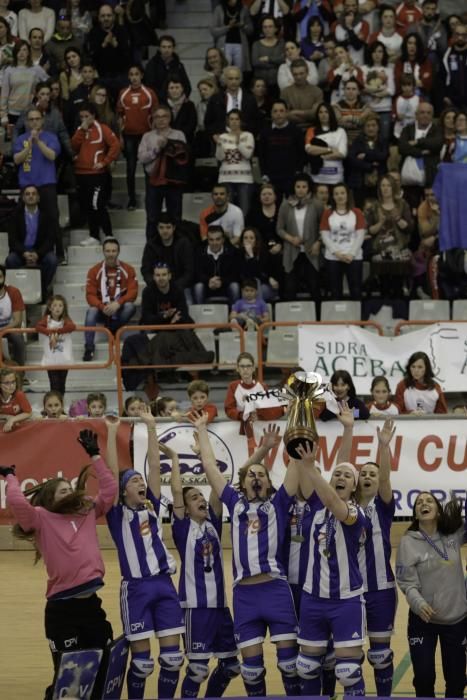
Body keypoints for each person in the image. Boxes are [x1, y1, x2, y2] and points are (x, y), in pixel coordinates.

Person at [0, 429, 117, 700]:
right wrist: (10, 476)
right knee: (68, 680)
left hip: (91, 606)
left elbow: (110, 490)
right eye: (62, 490)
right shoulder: (40, 518)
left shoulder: (87, 509)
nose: (70, 492)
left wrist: (95, 454)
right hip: (62, 612)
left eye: (70, 488)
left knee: (101, 668)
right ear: (50, 500)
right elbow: (17, 502)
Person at [191, 410, 301, 697]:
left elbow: (298, 464)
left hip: (275, 590)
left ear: (268, 482)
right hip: (244, 595)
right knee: (251, 671)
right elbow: (208, 464)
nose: (255, 476)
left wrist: (300, 414)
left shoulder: (279, 502)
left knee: (290, 666)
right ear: (243, 482)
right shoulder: (233, 502)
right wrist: (202, 429)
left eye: (260, 474)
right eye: (251, 473)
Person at [105, 412, 185, 699]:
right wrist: (113, 432)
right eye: (134, 481)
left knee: (173, 659)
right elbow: (112, 475)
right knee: (142, 663)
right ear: (123, 490)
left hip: (164, 584)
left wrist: (152, 427)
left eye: (141, 480)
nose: (141, 483)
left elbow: (154, 464)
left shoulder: (152, 505)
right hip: (136, 588)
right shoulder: (117, 513)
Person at [170, 418, 239, 697]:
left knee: (232, 666)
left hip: (220, 607)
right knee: (197, 669)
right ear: (184, 508)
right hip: (194, 608)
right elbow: (176, 491)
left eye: (200, 494)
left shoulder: (212, 521)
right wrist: (175, 458)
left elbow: (216, 483)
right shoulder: (183, 527)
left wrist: (203, 449)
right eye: (193, 497)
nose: (199, 498)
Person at [294, 441, 367, 697]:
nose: (340, 477)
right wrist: (306, 464)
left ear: (355, 486)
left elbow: (335, 502)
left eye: (348, 476)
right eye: (336, 473)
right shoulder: (315, 508)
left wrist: (311, 467)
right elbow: (323, 493)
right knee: (306, 667)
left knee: (348, 671)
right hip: (312, 598)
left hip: (345, 600)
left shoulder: (357, 513)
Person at [340, 412, 398, 695]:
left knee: (379, 655)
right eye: (363, 473)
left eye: (373, 474)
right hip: (349, 591)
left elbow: (385, 478)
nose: (368, 476)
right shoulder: (346, 507)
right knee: (347, 661)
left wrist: (383, 447)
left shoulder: (383, 507)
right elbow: (341, 469)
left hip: (380, 590)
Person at [396, 492, 467, 698]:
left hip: (457, 621)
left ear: (437, 509)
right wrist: (418, 603)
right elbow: (406, 582)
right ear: (416, 514)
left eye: (428, 501)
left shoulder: (453, 533)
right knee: (424, 678)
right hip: (423, 621)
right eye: (419, 502)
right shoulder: (408, 542)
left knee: (456, 681)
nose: (423, 504)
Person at [12, 107, 62, 259]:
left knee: (52, 218)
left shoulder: (51, 137)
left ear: (42, 120)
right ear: (27, 122)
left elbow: (52, 156)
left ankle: (59, 253)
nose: (34, 122)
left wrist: (38, 141)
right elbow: (16, 159)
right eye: (31, 119)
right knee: (19, 219)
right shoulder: (21, 139)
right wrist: (29, 144)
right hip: (26, 184)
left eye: (37, 119)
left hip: (46, 183)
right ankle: (19, 252)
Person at [71, 101, 120, 246]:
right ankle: (94, 236)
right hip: (81, 174)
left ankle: (109, 234)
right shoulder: (80, 129)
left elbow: (115, 145)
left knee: (97, 204)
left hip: (97, 175)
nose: (84, 119)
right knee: (87, 206)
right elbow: (73, 146)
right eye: (82, 116)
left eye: (87, 116)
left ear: (93, 115)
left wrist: (105, 162)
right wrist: (81, 130)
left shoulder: (102, 128)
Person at [82, 237, 137, 362]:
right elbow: (90, 295)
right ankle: (89, 347)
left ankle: (113, 329)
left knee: (130, 307)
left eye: (113, 251)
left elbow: (133, 292)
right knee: (91, 311)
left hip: (119, 309)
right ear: (103, 252)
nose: (111, 254)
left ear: (118, 252)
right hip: (103, 310)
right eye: (108, 251)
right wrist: (102, 306)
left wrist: (118, 303)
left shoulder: (128, 269)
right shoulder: (94, 271)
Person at [137, 104, 187, 235]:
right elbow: (141, 157)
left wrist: (168, 145)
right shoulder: (147, 136)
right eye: (157, 117)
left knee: (175, 216)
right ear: (153, 119)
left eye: (164, 116)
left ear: (170, 118)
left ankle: (177, 250)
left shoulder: (178, 134)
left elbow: (184, 155)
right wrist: (156, 150)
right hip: (153, 181)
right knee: (152, 217)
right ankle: (152, 250)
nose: (161, 120)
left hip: (173, 181)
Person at [117, 64, 158, 211]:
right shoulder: (123, 93)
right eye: (131, 74)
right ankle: (132, 199)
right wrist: (120, 136)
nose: (134, 77)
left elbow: (155, 116)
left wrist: (154, 135)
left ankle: (150, 198)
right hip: (128, 136)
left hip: (145, 136)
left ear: (141, 75)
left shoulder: (149, 93)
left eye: (136, 74)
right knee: (130, 168)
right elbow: (120, 117)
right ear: (128, 77)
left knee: (148, 168)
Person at [5, 185, 58, 300]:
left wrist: (38, 254)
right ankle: (19, 290)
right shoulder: (15, 215)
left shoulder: (47, 216)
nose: (30, 196)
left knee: (52, 260)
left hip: (40, 252)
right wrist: (24, 252)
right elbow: (12, 241)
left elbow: (50, 239)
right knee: (11, 260)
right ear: (23, 198)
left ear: (38, 198)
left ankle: (41, 287)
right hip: (21, 252)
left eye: (34, 194)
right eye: (27, 194)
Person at [277, 172, 323, 302]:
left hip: (311, 252)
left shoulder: (317, 204)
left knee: (314, 287)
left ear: (309, 188)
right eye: (298, 186)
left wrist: (318, 242)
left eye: (304, 186)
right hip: (292, 250)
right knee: (290, 288)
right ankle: (291, 321)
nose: (301, 190)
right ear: (293, 187)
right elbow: (279, 229)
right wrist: (291, 239)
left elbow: (323, 227)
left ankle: (318, 320)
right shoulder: (286, 204)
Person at [365, 174, 414, 298]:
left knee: (397, 286)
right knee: (384, 286)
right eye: (383, 185)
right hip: (380, 250)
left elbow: (409, 228)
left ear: (393, 187)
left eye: (388, 185)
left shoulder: (403, 204)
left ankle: (398, 311)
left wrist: (398, 218)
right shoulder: (374, 206)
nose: (385, 188)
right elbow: (370, 230)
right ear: (379, 188)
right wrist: (380, 223)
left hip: (399, 249)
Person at [320, 182, 366, 300]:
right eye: (336, 194)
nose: (340, 196)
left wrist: (351, 253)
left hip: (354, 257)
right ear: (333, 196)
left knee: (356, 290)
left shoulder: (357, 212)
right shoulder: (328, 213)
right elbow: (325, 235)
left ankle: (357, 318)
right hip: (333, 257)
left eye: (342, 193)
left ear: (347, 195)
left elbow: (360, 235)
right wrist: (336, 253)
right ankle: (337, 318)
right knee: (335, 291)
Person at [257, 99, 305, 201]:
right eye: (275, 111)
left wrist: (298, 171)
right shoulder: (265, 132)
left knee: (293, 206)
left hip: (291, 177)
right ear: (271, 113)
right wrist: (264, 174)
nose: (278, 114)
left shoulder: (296, 131)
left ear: (287, 112)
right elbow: (261, 155)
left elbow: (301, 153)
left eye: (281, 111)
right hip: (271, 177)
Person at [141, 214, 194, 299]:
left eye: (168, 227)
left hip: (181, 286)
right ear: (157, 228)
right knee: (148, 298)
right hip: (158, 285)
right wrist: (157, 284)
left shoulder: (184, 243)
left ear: (174, 228)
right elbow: (146, 270)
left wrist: (174, 287)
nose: (165, 231)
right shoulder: (151, 245)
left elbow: (189, 271)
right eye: (161, 227)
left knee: (187, 305)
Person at [224, 351, 284, 426]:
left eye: (248, 366)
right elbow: (229, 410)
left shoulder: (262, 386)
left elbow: (269, 409)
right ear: (237, 368)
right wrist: (242, 415)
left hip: (258, 427)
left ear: (253, 368)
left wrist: (258, 414)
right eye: (242, 366)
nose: (245, 369)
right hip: (239, 428)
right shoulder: (233, 386)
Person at [85, 3, 131, 99]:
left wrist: (116, 45)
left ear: (114, 17)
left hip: (120, 76)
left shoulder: (122, 31)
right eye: (103, 16)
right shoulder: (93, 33)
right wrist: (104, 44)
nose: (106, 18)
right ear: (98, 18)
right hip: (102, 77)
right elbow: (92, 56)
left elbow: (128, 57)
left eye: (109, 15)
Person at [205, 65, 260, 141]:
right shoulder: (215, 99)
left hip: (245, 140)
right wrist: (214, 134)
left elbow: (256, 121)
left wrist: (248, 135)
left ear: (240, 80)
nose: (234, 82)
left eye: (236, 79)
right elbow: (208, 122)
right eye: (230, 79)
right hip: (221, 139)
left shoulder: (250, 99)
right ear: (225, 80)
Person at [215, 108, 255, 215]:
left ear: (241, 121)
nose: (234, 122)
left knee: (244, 211)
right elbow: (219, 157)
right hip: (226, 178)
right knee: (227, 211)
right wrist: (219, 144)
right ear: (228, 121)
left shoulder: (248, 136)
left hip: (244, 179)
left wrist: (238, 143)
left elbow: (248, 155)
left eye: (237, 119)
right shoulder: (223, 137)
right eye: (231, 119)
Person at [0, 40, 48, 127]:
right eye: (19, 50)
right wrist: (3, 114)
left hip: (30, 112)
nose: (21, 53)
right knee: (15, 140)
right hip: (12, 112)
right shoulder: (9, 70)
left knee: (29, 139)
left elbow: (48, 83)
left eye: (24, 50)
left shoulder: (36, 69)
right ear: (15, 52)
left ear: (29, 52)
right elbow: (4, 94)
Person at [36, 293, 75, 396]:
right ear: (49, 307)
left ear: (64, 308)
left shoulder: (65, 319)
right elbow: (38, 327)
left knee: (62, 385)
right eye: (54, 305)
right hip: (51, 359)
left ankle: (60, 408)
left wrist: (57, 332)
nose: (57, 308)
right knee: (54, 385)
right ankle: (53, 407)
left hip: (64, 359)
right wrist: (50, 333)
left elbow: (72, 327)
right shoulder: (46, 319)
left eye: (60, 305)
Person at [347, 112, 388, 208]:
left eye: (373, 125)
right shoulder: (358, 141)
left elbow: (383, 156)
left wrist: (365, 156)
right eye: (368, 126)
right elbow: (352, 159)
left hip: (379, 182)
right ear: (363, 128)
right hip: (360, 182)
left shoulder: (383, 141)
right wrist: (370, 166)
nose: (371, 128)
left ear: (378, 127)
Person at [193, 225, 240, 305]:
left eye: (218, 239)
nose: (214, 243)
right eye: (211, 240)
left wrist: (221, 281)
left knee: (235, 286)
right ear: (207, 240)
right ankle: (200, 315)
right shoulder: (199, 252)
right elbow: (196, 273)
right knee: (198, 287)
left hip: (225, 286)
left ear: (223, 240)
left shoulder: (232, 252)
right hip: (207, 286)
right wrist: (208, 281)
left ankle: (234, 314)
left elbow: (235, 274)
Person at [304, 102, 347, 186]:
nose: (323, 114)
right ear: (317, 115)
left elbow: (342, 153)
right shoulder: (311, 130)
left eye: (326, 112)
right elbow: (309, 149)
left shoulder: (340, 131)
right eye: (321, 112)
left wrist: (320, 154)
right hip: (316, 179)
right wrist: (330, 150)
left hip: (335, 178)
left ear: (331, 113)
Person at [143, 34, 191, 102]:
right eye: (164, 47)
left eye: (169, 47)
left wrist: (181, 98)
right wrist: (163, 98)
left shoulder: (179, 65)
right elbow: (149, 86)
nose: (166, 50)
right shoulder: (151, 65)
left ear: (173, 48)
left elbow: (187, 86)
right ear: (159, 48)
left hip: (177, 102)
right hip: (158, 103)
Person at [280, 58, 323, 130]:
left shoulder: (317, 91)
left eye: (301, 73)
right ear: (292, 74)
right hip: (291, 129)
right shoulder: (285, 92)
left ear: (307, 72)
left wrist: (295, 112)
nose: (298, 77)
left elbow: (315, 113)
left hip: (313, 129)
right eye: (295, 74)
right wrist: (307, 115)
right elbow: (284, 114)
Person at [210, 0, 253, 73]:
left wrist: (242, 25)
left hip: (240, 44)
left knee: (239, 71)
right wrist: (228, 27)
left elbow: (250, 30)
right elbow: (213, 31)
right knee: (224, 70)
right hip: (224, 44)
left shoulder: (243, 8)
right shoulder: (219, 9)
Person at [237, 227, 279, 300]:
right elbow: (242, 275)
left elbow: (259, 273)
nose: (248, 241)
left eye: (251, 238)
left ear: (256, 240)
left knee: (257, 283)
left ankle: (256, 309)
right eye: (245, 238)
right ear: (242, 241)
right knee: (247, 287)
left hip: (265, 285)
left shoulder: (264, 253)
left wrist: (251, 255)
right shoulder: (238, 255)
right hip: (245, 287)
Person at [0, 262, 25, 367]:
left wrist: (2, 330)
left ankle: (20, 373)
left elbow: (17, 321)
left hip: (9, 329)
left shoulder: (13, 292)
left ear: (4, 278)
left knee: (17, 337)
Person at [251, 15, 285, 92]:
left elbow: (283, 60)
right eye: (265, 27)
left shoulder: (281, 43)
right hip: (260, 85)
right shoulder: (256, 44)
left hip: (277, 84)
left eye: (270, 27)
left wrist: (268, 59)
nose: (267, 29)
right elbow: (255, 62)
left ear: (275, 28)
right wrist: (275, 63)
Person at [442, 23, 467, 110]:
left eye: (464, 35)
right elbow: (442, 78)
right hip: (452, 101)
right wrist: (445, 96)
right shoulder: (446, 55)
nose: (460, 37)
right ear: (453, 35)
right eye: (457, 34)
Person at [166, 77, 197, 144]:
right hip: (167, 141)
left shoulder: (189, 105)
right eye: (171, 88)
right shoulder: (164, 105)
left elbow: (192, 125)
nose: (174, 90)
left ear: (182, 89)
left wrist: (177, 135)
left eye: (177, 87)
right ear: (167, 90)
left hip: (185, 141)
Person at [0, 367, 32, 432]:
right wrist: (6, 416)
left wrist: (12, 419)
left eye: (13, 382)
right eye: (7, 383)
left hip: (19, 430)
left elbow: (28, 413)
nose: (11, 385)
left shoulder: (19, 394)